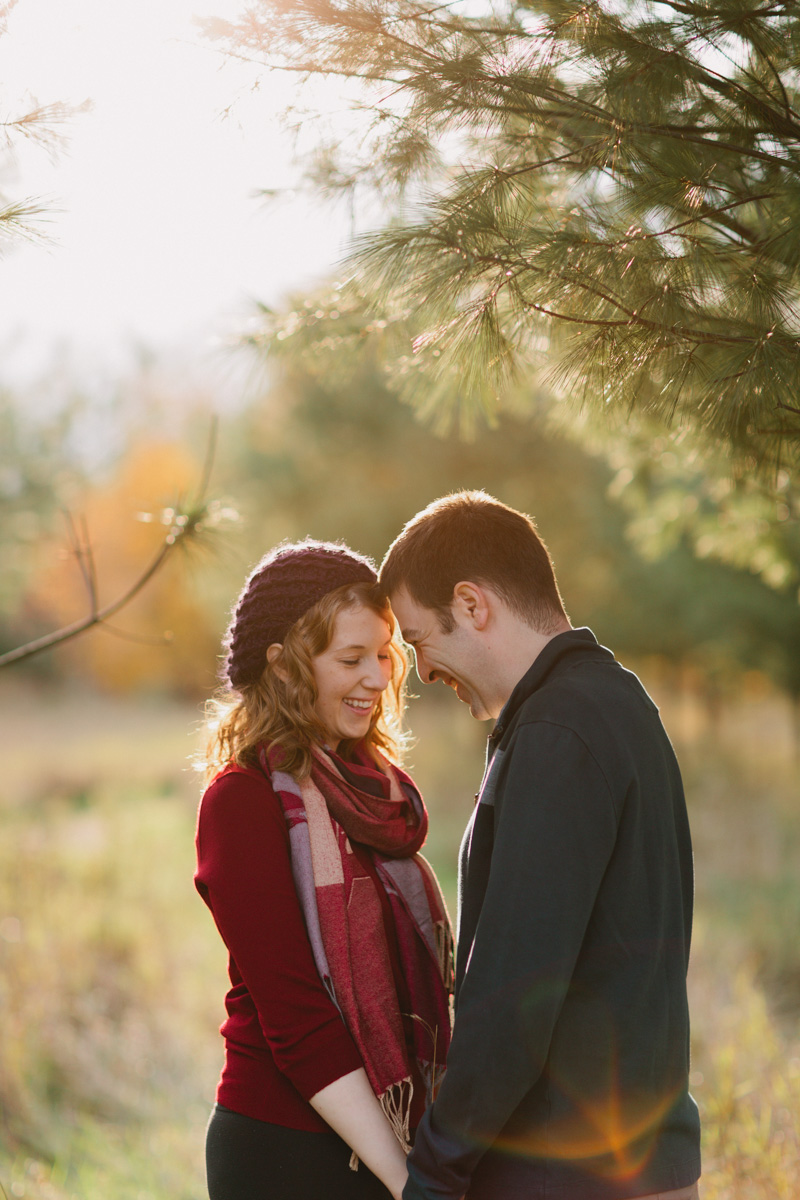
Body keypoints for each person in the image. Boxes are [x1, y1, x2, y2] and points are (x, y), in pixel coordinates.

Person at [379, 491, 702, 1200]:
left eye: (416, 640)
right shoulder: (616, 703)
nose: (422, 672)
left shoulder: (560, 732)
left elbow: (516, 984)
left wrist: (434, 1171)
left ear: (472, 605)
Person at [195, 540, 453, 1200]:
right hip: (286, 1151)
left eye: (383, 654)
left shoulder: (375, 793)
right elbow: (298, 1019)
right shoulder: (242, 802)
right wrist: (407, 1182)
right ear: (283, 667)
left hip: (392, 1142)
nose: (378, 676)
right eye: (351, 658)